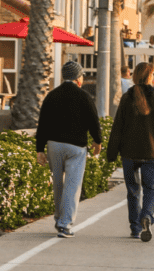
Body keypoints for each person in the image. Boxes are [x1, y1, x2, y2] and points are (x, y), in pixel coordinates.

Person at [106, 62, 154, 242]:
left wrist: (111, 152)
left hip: (129, 153)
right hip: (152, 151)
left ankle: (135, 227)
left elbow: (118, 127)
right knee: (150, 188)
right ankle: (146, 216)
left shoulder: (127, 97)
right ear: (150, 77)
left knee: (132, 191)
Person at [35, 61, 103, 238]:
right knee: (72, 184)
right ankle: (65, 224)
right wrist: (98, 141)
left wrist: (39, 149)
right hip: (76, 147)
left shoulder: (52, 96)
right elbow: (93, 121)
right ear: (78, 78)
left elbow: (42, 124)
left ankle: (59, 219)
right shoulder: (84, 96)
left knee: (58, 183)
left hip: (54, 145)